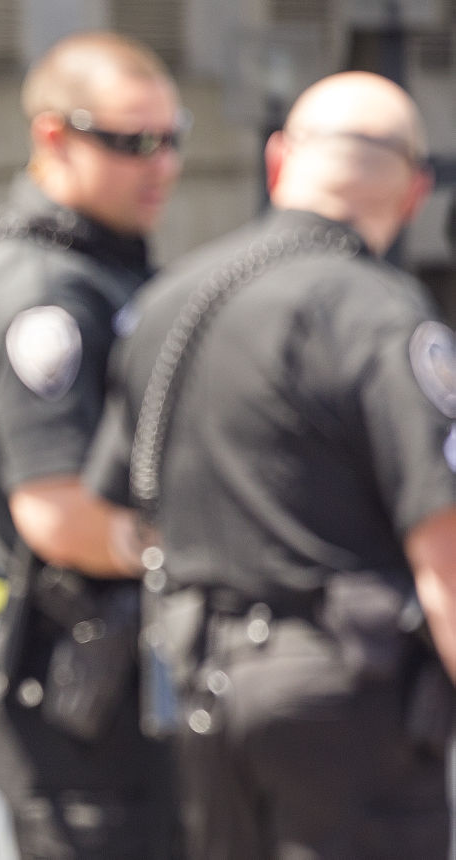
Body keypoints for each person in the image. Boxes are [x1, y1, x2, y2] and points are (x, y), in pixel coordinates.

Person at [83, 70, 456, 858]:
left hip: (202, 693)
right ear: (414, 191)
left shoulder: (169, 303)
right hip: (345, 702)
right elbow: (445, 546)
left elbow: (121, 508)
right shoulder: (381, 313)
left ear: (279, 159)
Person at [0, 31, 183, 857]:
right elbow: (58, 513)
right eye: (132, 142)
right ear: (54, 136)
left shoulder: (90, 266)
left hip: (108, 690)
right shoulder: (43, 292)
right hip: (88, 700)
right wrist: (210, 550)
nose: (162, 164)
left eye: (171, 139)